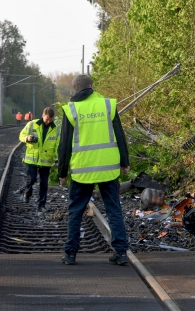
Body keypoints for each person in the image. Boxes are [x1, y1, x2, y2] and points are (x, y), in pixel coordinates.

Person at [58, 74, 130, 266]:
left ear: (74, 89)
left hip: (82, 170)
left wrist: (62, 172)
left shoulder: (71, 109)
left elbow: (64, 144)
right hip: (108, 168)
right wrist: (125, 162)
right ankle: (121, 253)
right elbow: (119, 135)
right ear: (91, 86)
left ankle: (71, 254)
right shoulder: (107, 105)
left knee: (75, 211)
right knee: (113, 209)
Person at [18, 107, 59, 212]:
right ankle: (27, 192)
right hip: (31, 159)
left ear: (53, 118)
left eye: (50, 119)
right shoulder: (32, 124)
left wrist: (57, 159)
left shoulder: (55, 129)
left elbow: (57, 146)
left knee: (44, 184)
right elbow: (21, 135)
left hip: (46, 161)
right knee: (32, 179)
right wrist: (27, 138)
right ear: (42, 115)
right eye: (46, 119)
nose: (48, 121)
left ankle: (42, 205)